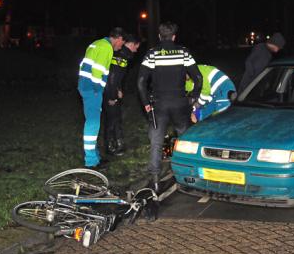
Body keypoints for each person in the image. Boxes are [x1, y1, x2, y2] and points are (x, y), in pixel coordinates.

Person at [137, 21, 202, 190]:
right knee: (185, 140)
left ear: (159, 36)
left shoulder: (152, 54)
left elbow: (141, 82)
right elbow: (198, 78)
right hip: (180, 103)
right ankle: (190, 174)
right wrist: (193, 97)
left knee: (157, 142)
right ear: (174, 36)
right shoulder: (183, 52)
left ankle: (155, 178)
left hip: (159, 104)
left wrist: (145, 103)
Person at [78, 27, 126, 169]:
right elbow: (98, 71)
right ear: (118, 39)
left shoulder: (97, 43)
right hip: (92, 88)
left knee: (93, 123)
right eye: (122, 43)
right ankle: (91, 162)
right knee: (93, 124)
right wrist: (98, 91)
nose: (121, 46)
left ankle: (95, 156)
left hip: (85, 86)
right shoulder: (107, 48)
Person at [103, 34, 141, 156]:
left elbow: (115, 76)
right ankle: (110, 147)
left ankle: (118, 144)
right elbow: (112, 77)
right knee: (112, 119)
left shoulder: (122, 55)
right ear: (131, 44)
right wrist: (112, 96)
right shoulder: (121, 57)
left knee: (116, 118)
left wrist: (118, 89)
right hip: (109, 92)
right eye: (136, 47)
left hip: (111, 90)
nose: (137, 50)